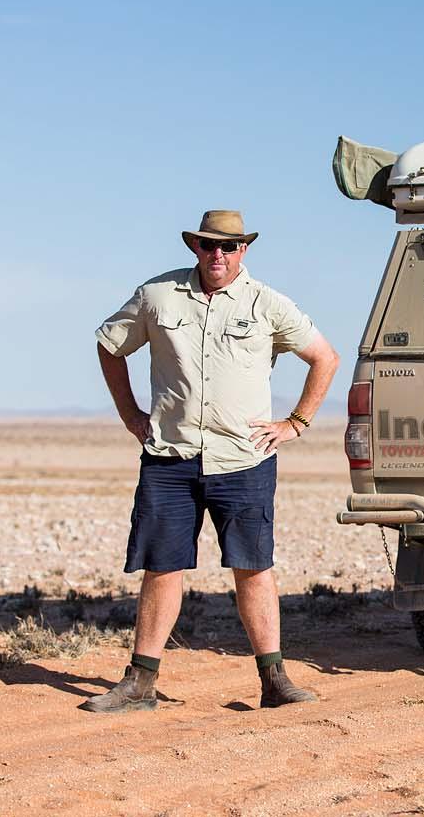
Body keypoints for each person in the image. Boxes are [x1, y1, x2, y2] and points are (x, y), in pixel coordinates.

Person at [83, 209, 340, 713]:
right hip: (170, 457)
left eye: (228, 245)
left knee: (253, 567)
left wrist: (296, 423)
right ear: (194, 247)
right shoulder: (157, 296)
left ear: (244, 249)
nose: (217, 254)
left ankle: (275, 681)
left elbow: (324, 358)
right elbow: (109, 345)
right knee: (161, 567)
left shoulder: (267, 303)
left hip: (243, 459)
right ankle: (140, 685)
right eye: (207, 244)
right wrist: (130, 415)